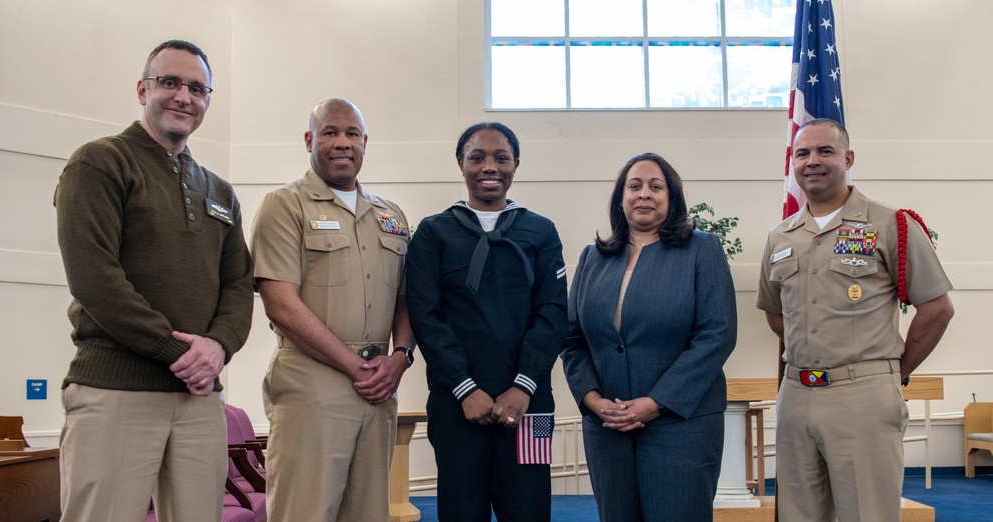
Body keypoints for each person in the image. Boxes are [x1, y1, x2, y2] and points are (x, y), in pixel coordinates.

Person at [54, 40, 254, 522]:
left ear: (207, 101)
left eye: (196, 88)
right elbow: (95, 277)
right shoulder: (99, 163)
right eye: (169, 82)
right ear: (143, 88)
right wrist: (179, 351)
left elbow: (239, 286)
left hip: (199, 397)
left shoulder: (219, 191)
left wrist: (219, 349)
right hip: (117, 390)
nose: (183, 96)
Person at [756, 118, 954, 521]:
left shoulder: (890, 224)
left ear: (848, 158)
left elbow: (937, 308)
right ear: (793, 164)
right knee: (798, 514)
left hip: (863, 394)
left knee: (868, 514)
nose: (813, 161)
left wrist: (892, 372)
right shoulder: (781, 236)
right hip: (796, 394)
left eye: (825, 151)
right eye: (802, 153)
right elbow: (778, 315)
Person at [250, 98, 415, 522]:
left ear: (365, 142)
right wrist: (354, 366)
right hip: (312, 382)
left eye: (352, 134)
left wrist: (400, 358)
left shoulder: (391, 215)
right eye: (329, 132)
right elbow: (281, 304)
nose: (342, 143)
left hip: (378, 387)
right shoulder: (285, 206)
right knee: (304, 512)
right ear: (309, 140)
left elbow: (407, 298)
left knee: (368, 514)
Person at [560, 152, 737, 521]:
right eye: (634, 186)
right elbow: (573, 339)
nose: (644, 194)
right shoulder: (593, 258)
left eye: (656, 187)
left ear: (671, 199)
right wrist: (592, 399)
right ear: (620, 198)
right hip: (607, 426)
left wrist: (656, 402)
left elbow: (716, 335)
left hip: (681, 425)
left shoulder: (702, 249)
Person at [405, 122, 568, 521]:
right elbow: (427, 316)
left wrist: (523, 386)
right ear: (460, 163)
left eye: (501, 157)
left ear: (516, 164)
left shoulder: (541, 231)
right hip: (456, 405)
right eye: (477, 157)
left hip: (531, 404)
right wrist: (465, 388)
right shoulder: (433, 232)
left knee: (530, 510)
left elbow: (553, 313)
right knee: (461, 510)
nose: (489, 167)